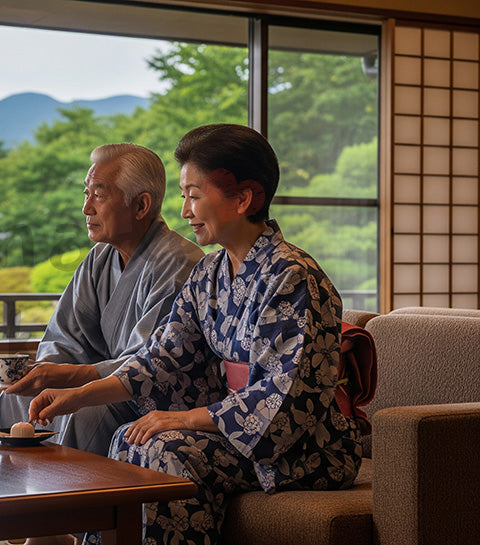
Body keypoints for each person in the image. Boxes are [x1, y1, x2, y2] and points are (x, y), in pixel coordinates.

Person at [28, 124, 363, 545]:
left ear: (243, 198)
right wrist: (79, 394)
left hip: (302, 448)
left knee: (162, 447)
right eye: (184, 196)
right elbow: (162, 358)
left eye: (194, 195)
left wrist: (183, 419)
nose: (185, 211)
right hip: (241, 428)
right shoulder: (209, 273)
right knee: (128, 438)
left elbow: (284, 395)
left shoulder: (292, 276)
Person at [0, 142, 203, 457]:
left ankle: (76, 505)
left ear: (141, 206)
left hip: (146, 397)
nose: (87, 208)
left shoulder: (178, 262)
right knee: (17, 397)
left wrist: (77, 383)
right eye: (85, 194)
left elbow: (150, 362)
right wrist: (45, 371)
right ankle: (15, 498)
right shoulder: (100, 258)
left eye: (99, 196)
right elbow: (65, 337)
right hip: (97, 384)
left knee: (84, 412)